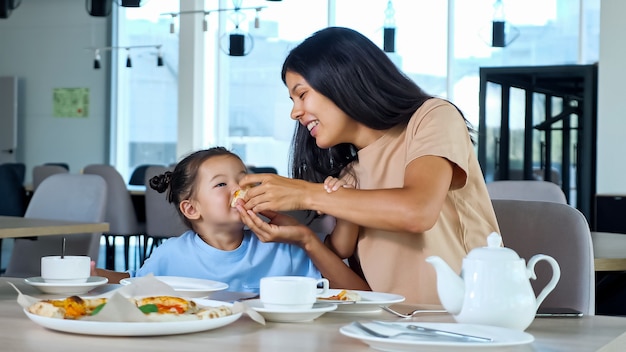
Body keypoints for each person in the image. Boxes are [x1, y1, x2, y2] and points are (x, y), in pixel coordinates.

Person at [235, 27, 500, 305]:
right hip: (392, 331)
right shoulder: (349, 178)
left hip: (471, 323)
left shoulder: (433, 118)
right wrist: (305, 239)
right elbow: (364, 294)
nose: (295, 112)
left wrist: (304, 193)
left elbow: (417, 211)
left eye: (302, 94)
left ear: (341, 79)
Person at [93, 147, 321, 293]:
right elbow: (134, 283)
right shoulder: (171, 254)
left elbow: (333, 289)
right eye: (221, 184)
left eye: (244, 181)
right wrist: (95, 275)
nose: (238, 189)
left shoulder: (280, 247)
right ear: (191, 209)